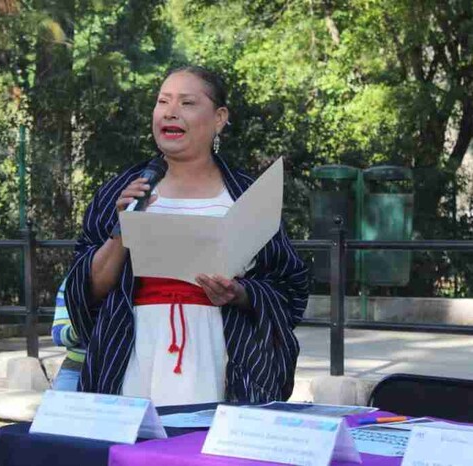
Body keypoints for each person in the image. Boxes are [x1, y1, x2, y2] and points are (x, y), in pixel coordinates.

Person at [65, 65, 309, 406]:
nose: (170, 112)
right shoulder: (120, 192)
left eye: (187, 103)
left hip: (220, 351)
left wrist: (240, 293)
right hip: (132, 351)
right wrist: (123, 228)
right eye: (162, 101)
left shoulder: (248, 195)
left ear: (219, 117)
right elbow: (84, 292)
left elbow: (289, 288)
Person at [50, 278, 85, 391]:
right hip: (76, 367)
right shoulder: (72, 282)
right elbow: (57, 335)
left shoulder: (130, 279)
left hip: (122, 367)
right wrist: (81, 328)